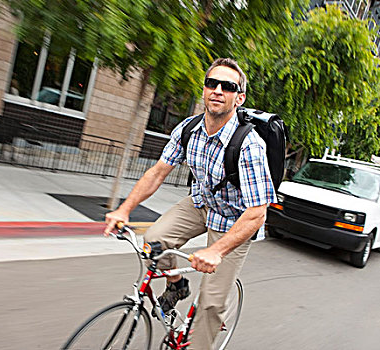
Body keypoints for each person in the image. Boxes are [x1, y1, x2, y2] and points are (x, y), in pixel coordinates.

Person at [104, 58, 276, 349]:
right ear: (204, 90)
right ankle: (177, 285)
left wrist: (216, 251)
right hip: (201, 203)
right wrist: (124, 208)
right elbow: (157, 172)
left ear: (239, 98)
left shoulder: (250, 146)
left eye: (228, 86)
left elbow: (258, 214)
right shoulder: (189, 129)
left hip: (235, 221)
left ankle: (209, 323)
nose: (218, 90)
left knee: (210, 306)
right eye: (212, 83)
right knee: (154, 240)